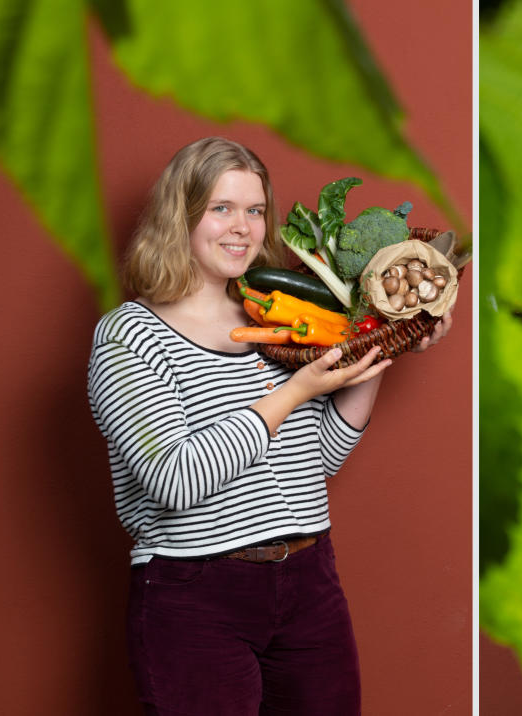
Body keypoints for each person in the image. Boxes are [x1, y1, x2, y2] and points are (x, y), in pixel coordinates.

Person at [86, 136, 451, 715]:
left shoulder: (277, 317)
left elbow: (320, 459)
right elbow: (174, 480)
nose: (242, 228)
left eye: (255, 211)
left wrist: (384, 341)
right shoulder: (129, 338)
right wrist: (294, 393)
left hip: (309, 580)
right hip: (195, 595)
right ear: (179, 217)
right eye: (221, 208)